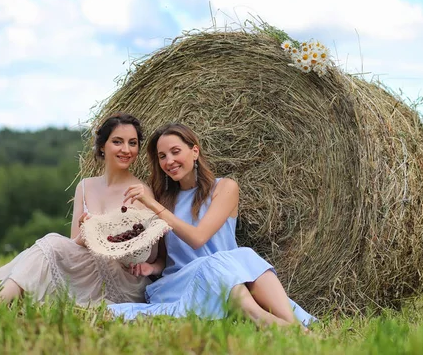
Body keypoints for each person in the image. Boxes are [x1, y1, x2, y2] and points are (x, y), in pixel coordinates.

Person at [108, 123, 315, 328]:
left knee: (243, 257)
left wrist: (153, 205)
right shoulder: (164, 200)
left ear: (195, 151)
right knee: (216, 267)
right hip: (183, 282)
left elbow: (198, 238)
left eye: (175, 151)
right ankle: (281, 326)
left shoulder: (225, 187)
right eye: (162, 156)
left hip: (230, 278)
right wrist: (151, 267)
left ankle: (292, 324)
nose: (169, 161)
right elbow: (166, 258)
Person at [0, 113, 157, 305]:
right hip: (88, 270)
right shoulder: (85, 186)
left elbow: (154, 254)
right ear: (102, 146)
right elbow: (73, 244)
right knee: (49, 249)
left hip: (124, 282)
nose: (126, 149)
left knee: (50, 244)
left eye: (132, 143)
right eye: (118, 142)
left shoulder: (141, 192)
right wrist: (85, 237)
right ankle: (0, 296)